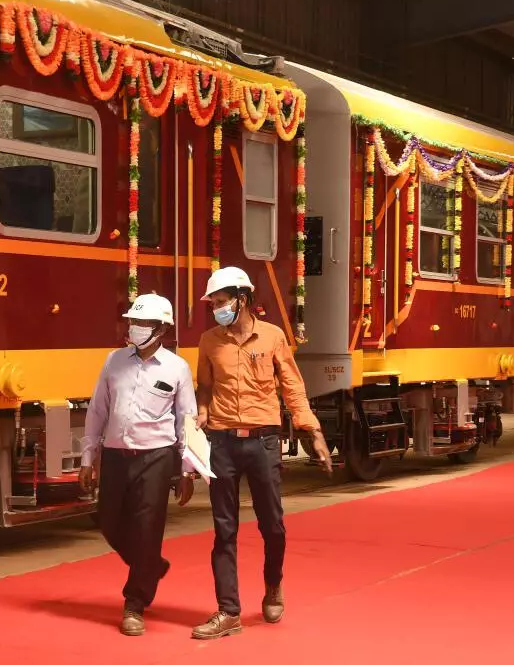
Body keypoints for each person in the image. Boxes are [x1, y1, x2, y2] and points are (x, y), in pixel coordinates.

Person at [191, 266, 332, 640]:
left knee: (273, 526)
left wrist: (313, 431)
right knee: (224, 530)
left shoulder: (273, 338)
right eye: (213, 303)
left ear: (242, 299)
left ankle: (273, 585)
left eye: (221, 302)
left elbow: (293, 388)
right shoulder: (209, 341)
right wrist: (203, 409)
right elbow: (204, 386)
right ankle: (228, 611)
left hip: (264, 441)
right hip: (221, 441)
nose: (216, 309)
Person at [80, 293, 198, 637]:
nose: (134, 328)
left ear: (161, 329)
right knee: (108, 522)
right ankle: (150, 565)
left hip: (156, 458)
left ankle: (135, 603)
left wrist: (187, 470)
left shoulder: (177, 368)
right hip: (116, 455)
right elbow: (97, 411)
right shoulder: (113, 361)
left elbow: (186, 420)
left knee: (148, 528)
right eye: (133, 322)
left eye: (143, 324)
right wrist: (89, 457)